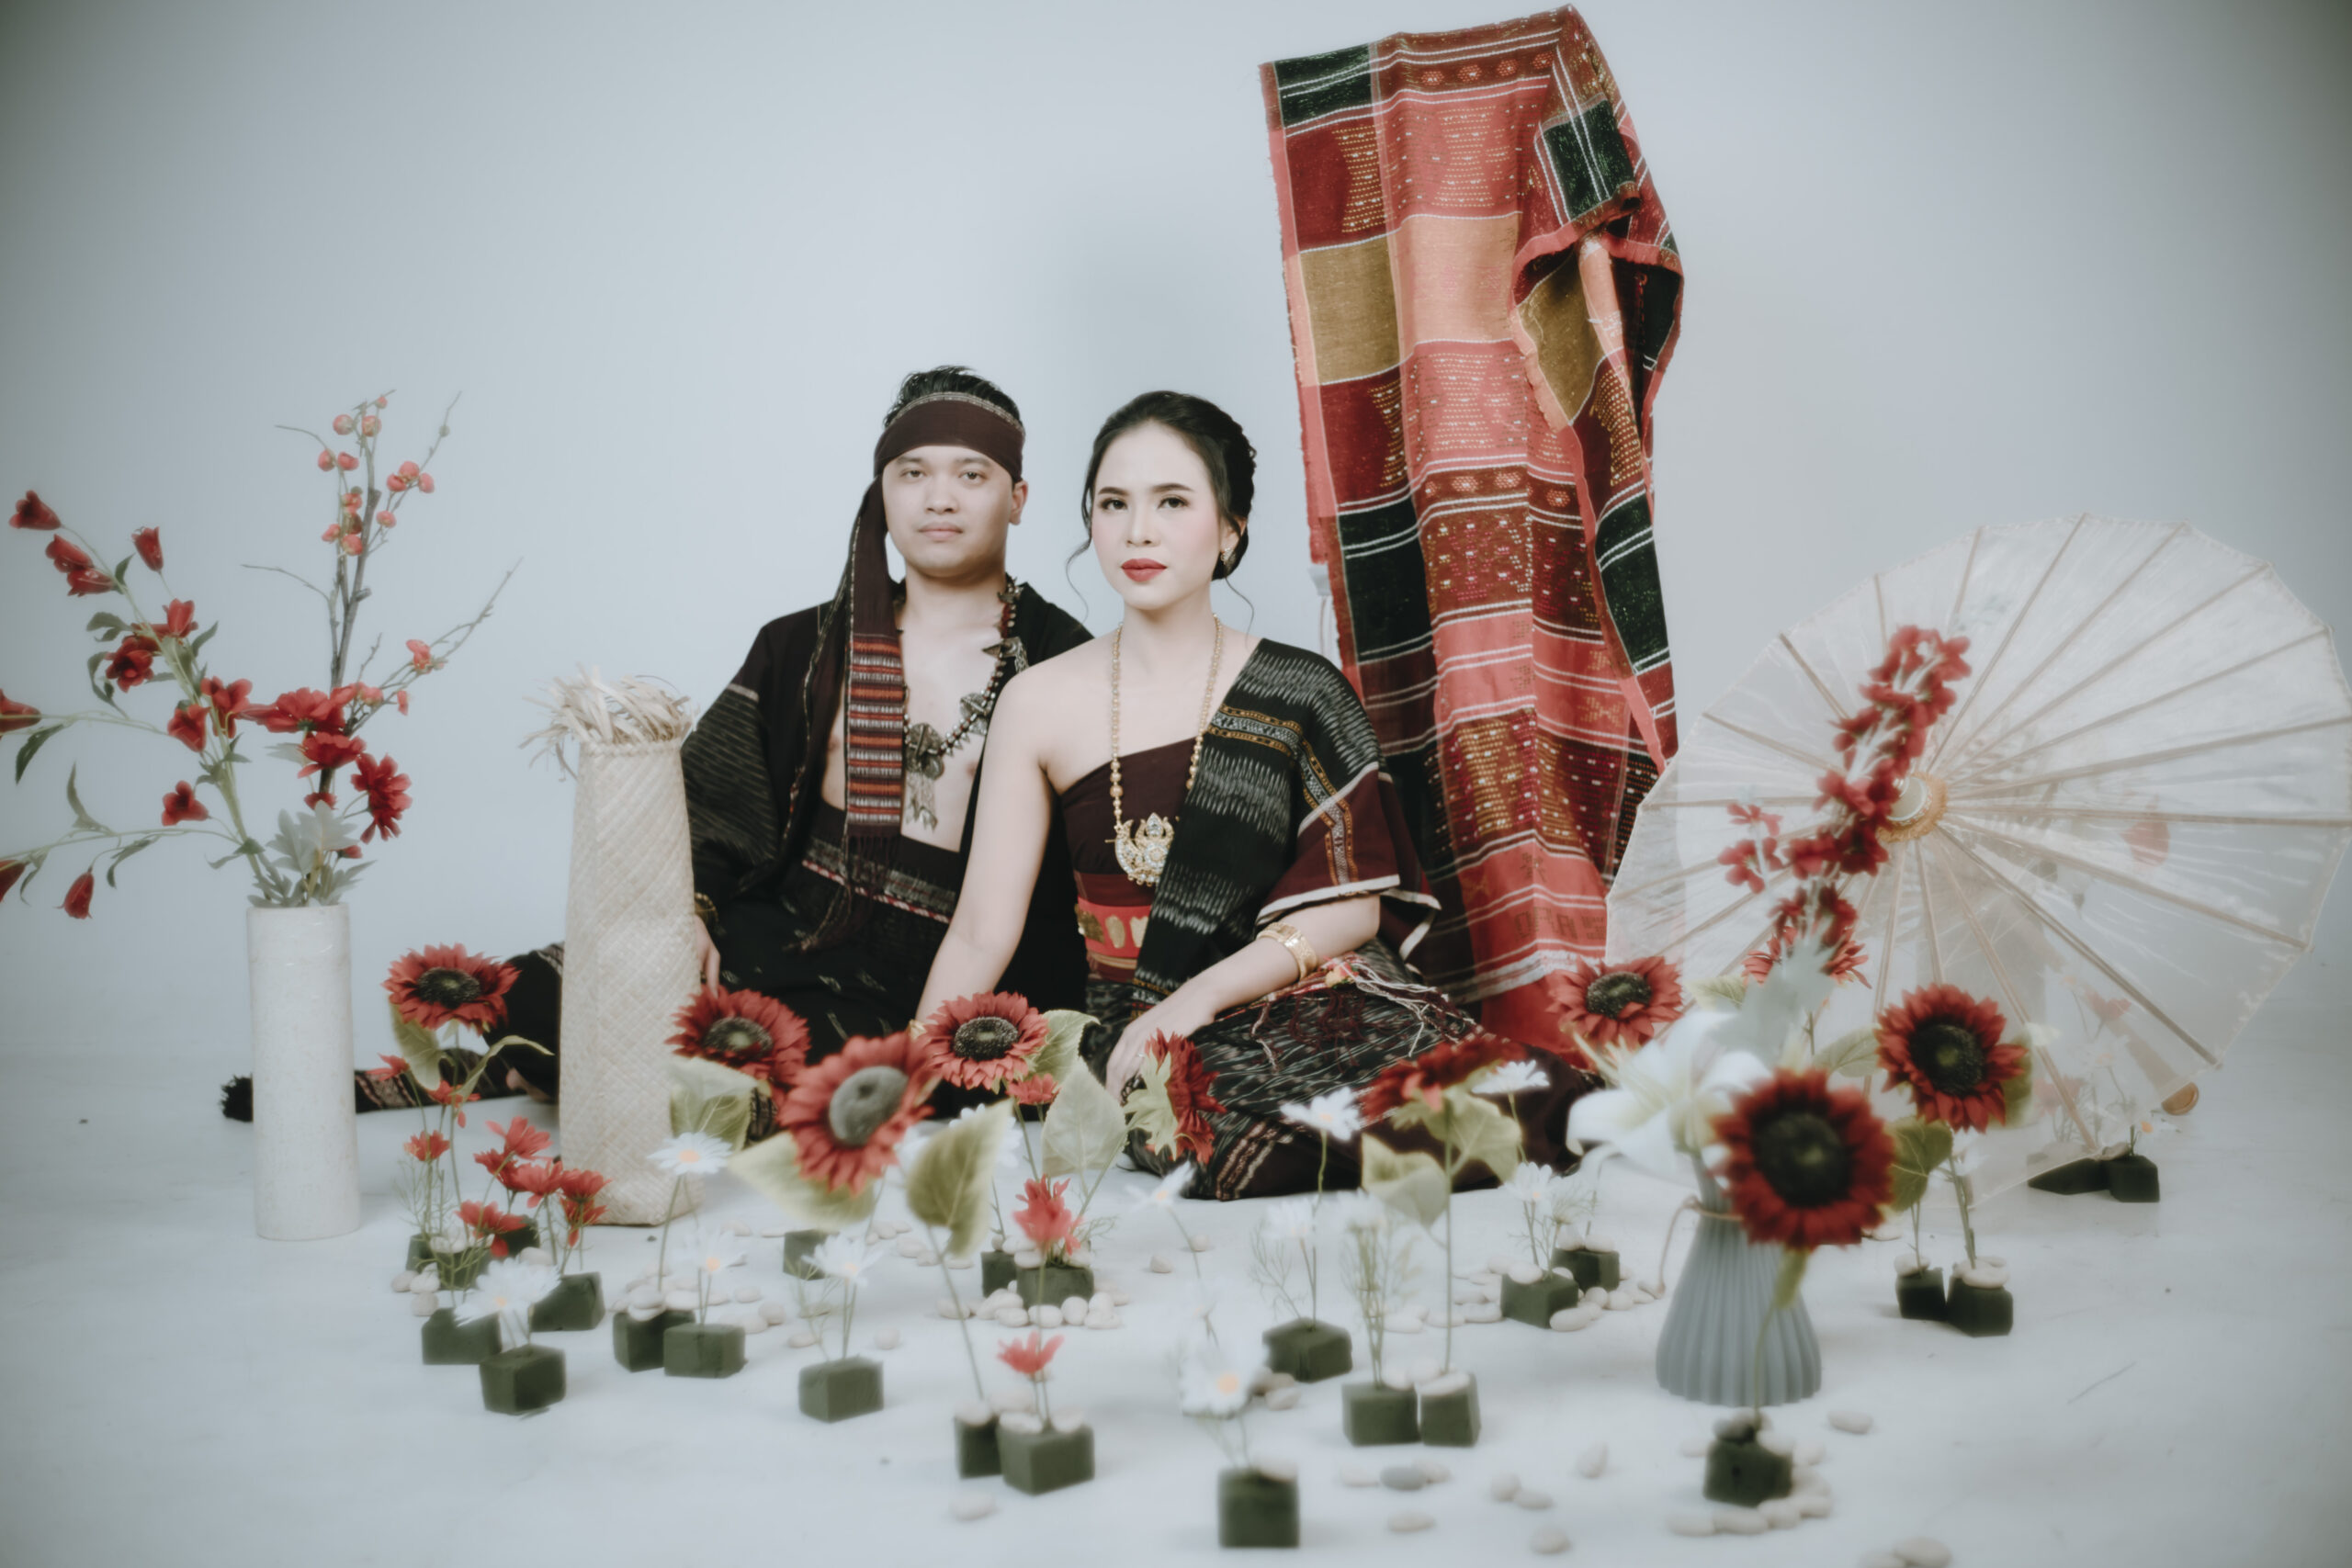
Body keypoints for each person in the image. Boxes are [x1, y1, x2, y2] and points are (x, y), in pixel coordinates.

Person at [221, 367, 1094, 1124]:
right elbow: (709, 801)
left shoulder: (1064, 663)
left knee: (801, 1075)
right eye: (913, 473)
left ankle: (570, 1074)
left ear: (1018, 498)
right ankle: (542, 1061)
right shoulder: (803, 645)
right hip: (796, 928)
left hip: (953, 965)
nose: (939, 498)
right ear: (881, 492)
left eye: (971, 474)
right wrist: (695, 915)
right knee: (547, 987)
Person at [912, 391, 1590, 1200]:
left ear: (1230, 529)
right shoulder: (1037, 700)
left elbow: (1354, 908)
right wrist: (904, 1079)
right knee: (1217, 1139)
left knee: (1484, 1102)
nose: (1139, 531)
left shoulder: (1301, 689)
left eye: (1173, 502)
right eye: (1114, 503)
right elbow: (981, 929)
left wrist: (1199, 997)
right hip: (1143, 1022)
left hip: (1311, 999)